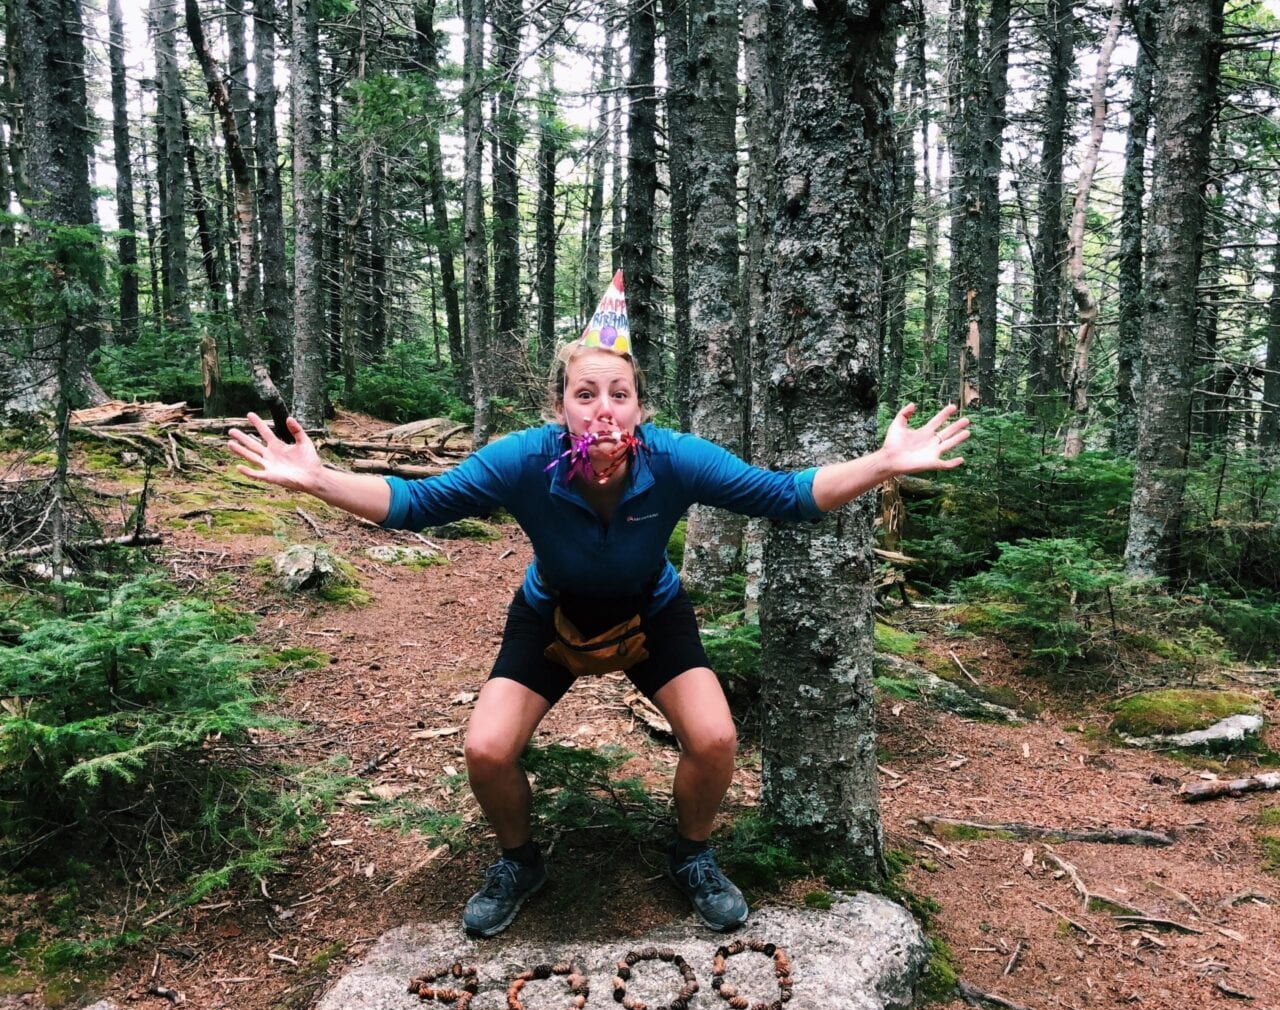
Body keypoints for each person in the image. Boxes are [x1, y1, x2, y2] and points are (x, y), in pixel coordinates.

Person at [228, 272, 969, 938]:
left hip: (652, 617)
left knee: (714, 739)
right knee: (486, 749)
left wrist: (881, 463)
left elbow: (787, 496)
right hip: (551, 619)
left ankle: (692, 856)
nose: (604, 409)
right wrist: (321, 481)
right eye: (586, 394)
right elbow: (417, 501)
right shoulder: (522, 458)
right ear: (561, 407)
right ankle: (520, 862)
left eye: (619, 394)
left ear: (640, 408)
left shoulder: (674, 457)